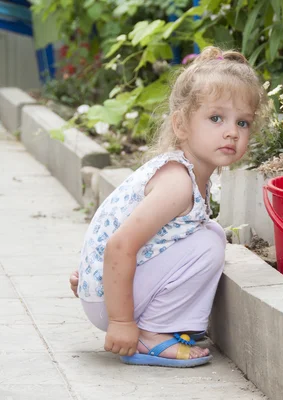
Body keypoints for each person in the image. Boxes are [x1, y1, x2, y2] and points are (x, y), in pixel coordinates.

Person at [68, 46, 268, 368]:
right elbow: (119, 245)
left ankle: (158, 323)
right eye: (216, 118)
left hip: (106, 289)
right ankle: (152, 335)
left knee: (209, 232)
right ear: (181, 125)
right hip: (111, 301)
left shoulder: (187, 174)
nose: (232, 131)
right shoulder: (177, 182)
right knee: (207, 243)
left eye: (242, 123)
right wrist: (120, 322)